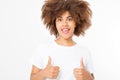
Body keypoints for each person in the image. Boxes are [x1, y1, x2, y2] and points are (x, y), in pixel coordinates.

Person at [30, 0, 94, 80]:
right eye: (60, 19)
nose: (65, 24)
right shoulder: (43, 49)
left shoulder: (84, 51)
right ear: (54, 23)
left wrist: (87, 76)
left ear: (76, 22)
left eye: (69, 19)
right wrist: (43, 73)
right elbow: (32, 77)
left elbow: (91, 78)